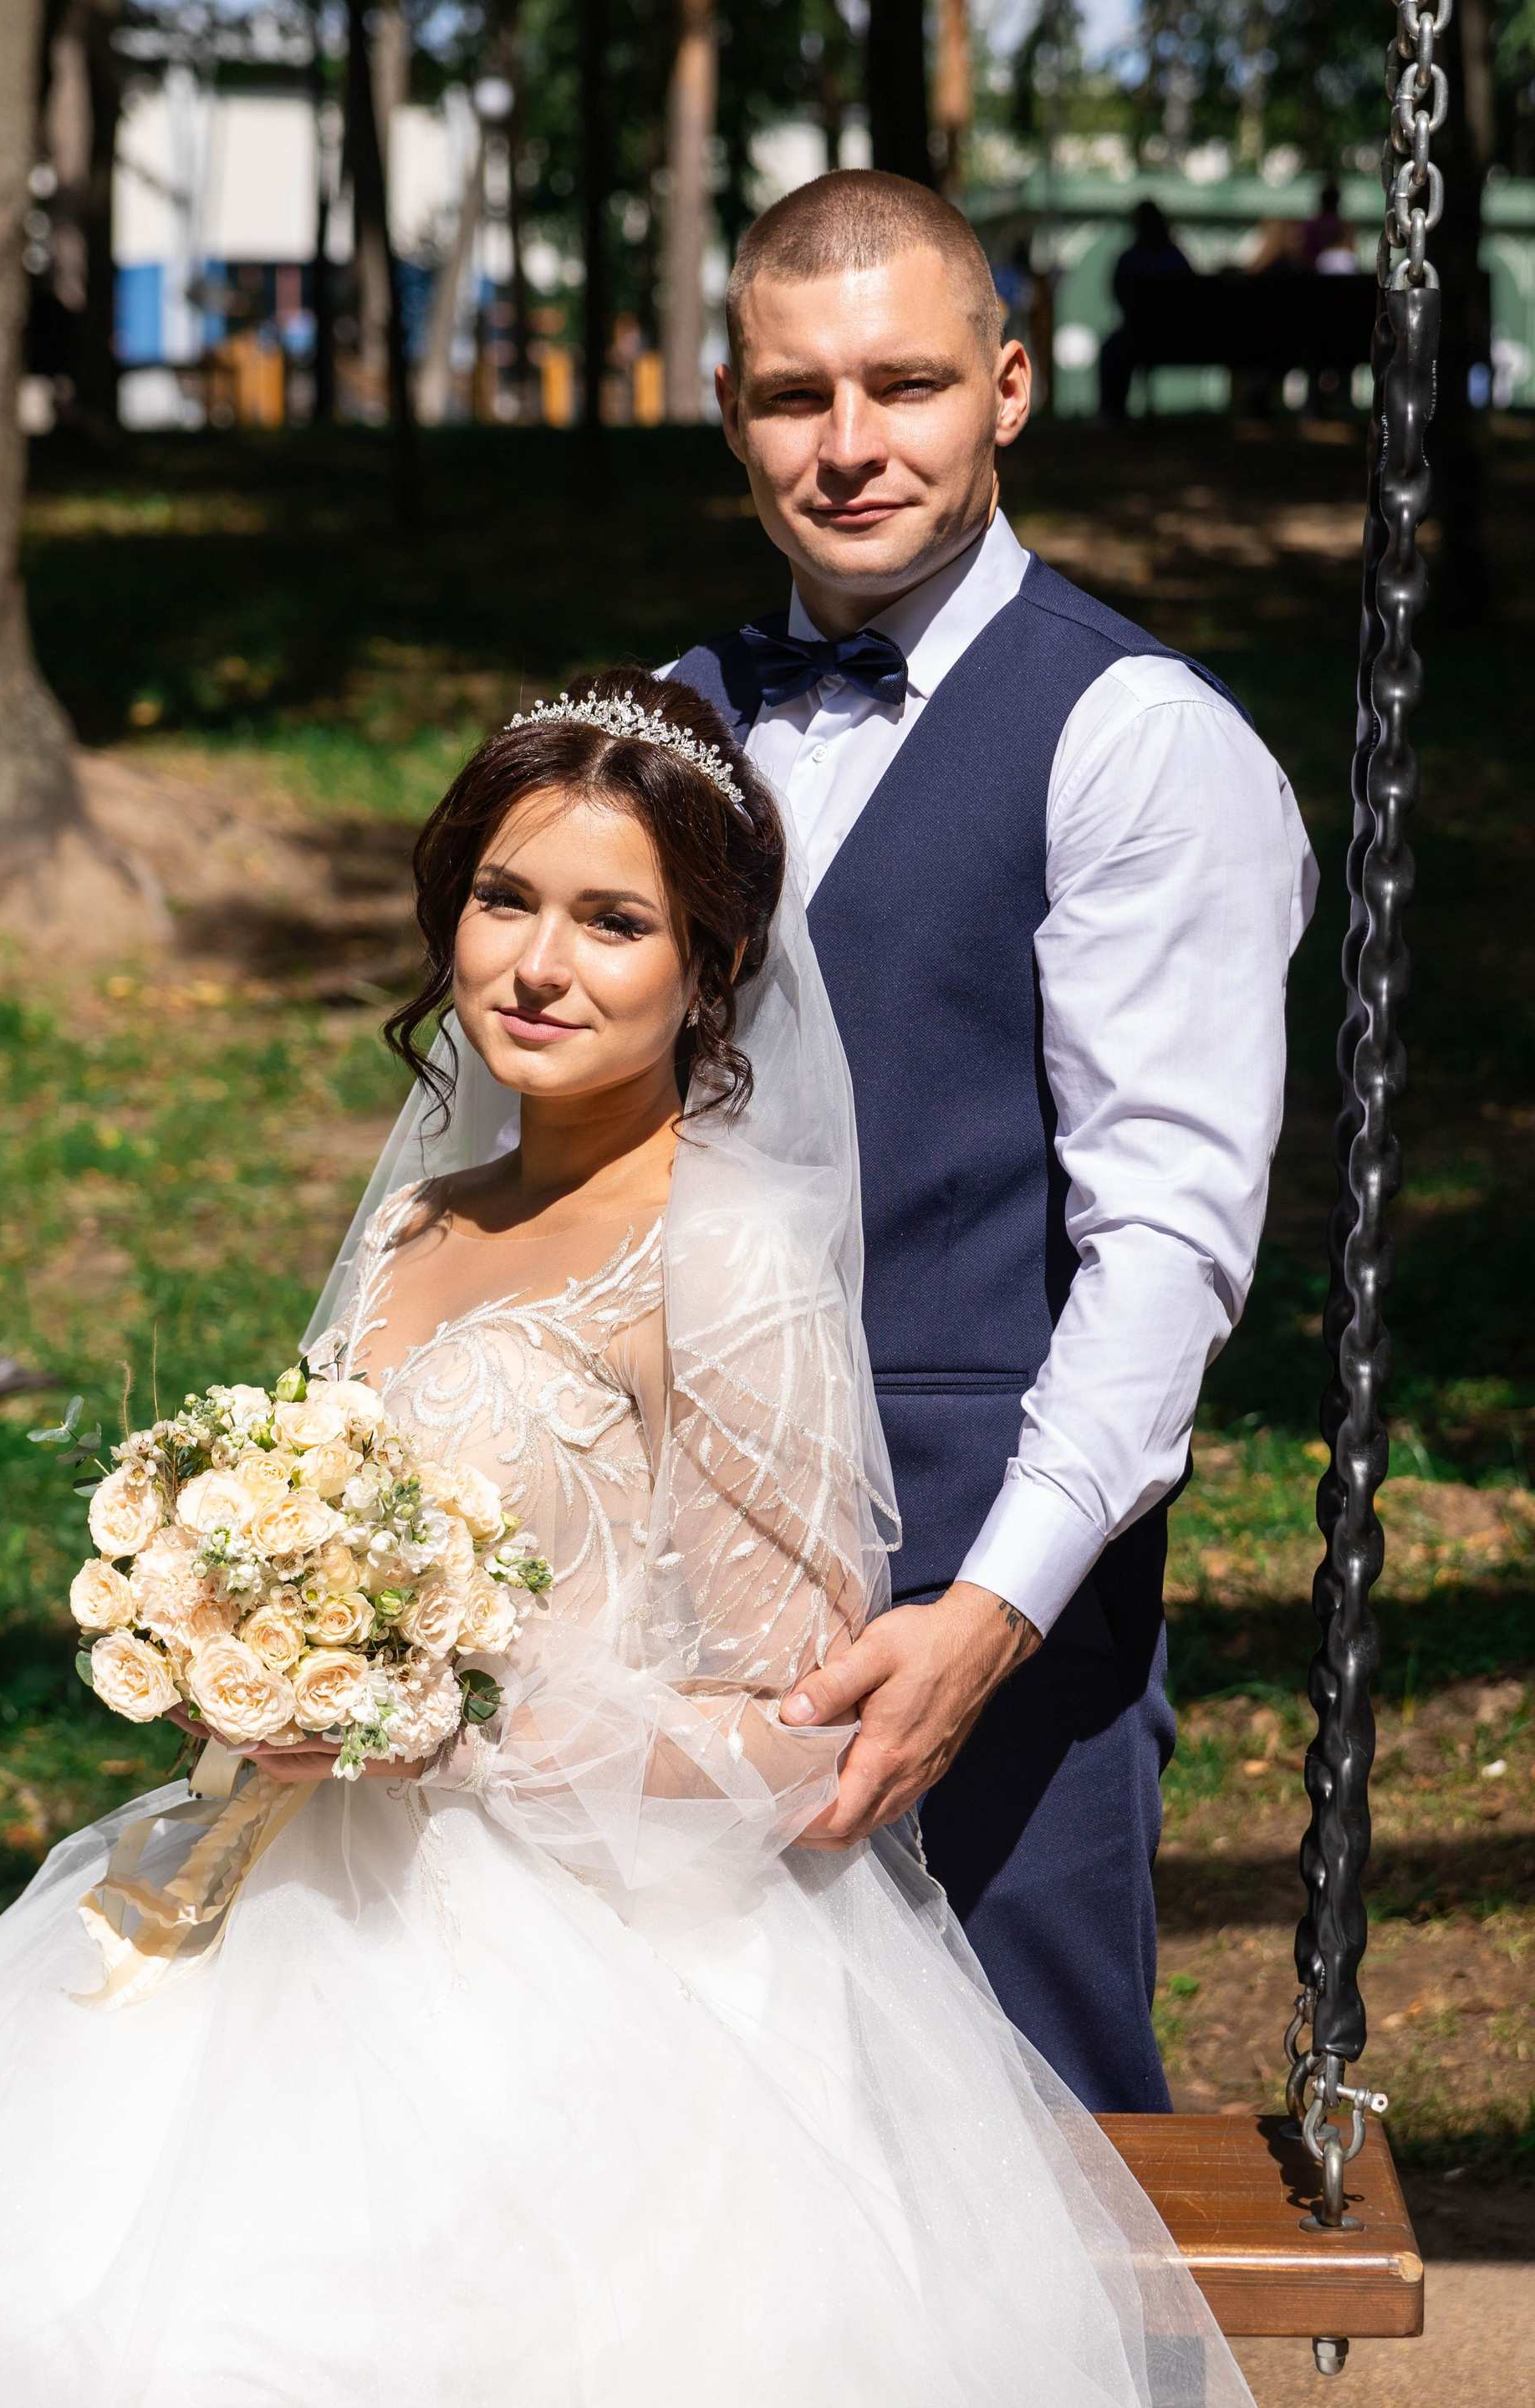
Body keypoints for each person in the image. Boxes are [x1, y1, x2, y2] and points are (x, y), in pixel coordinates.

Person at [0, 673, 1251, 2405]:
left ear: (709, 965)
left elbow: (800, 1734)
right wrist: (238, 1634)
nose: (540, 966)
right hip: (294, 1879)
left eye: (614, 921)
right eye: (506, 900)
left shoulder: (722, 1256)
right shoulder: (420, 1220)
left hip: (591, 1966)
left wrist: (443, 1727)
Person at [671, 170, 1316, 2115]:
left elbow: (1168, 1245)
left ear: (1008, 390)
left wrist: (991, 1615)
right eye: (798, 395)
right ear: (732, 411)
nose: (851, 444)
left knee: (1028, 2159)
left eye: (908, 385)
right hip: (659, 1593)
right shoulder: (666, 722)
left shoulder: (1131, 737)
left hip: (980, 1587)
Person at [1097, 196, 1196, 419]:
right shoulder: (1176, 258)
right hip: (1178, 337)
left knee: (1112, 350)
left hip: (1139, 337)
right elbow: (1191, 295)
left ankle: (1113, 411)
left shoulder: (1130, 259)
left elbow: (1119, 296)